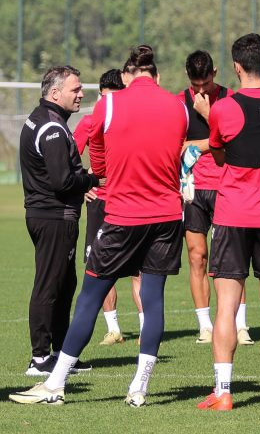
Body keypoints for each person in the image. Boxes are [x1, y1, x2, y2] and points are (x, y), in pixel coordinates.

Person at [11, 45, 188, 407]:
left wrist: (93, 180)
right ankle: (139, 386)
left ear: (125, 76)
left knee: (90, 296)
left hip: (124, 214)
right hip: (168, 216)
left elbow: (93, 151)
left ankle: (55, 383)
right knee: (152, 299)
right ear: (157, 75)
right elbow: (176, 151)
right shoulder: (178, 106)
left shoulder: (109, 105)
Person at [197, 34, 260, 411]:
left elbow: (220, 156)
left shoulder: (223, 109)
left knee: (226, 305)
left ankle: (223, 391)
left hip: (232, 217)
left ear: (238, 67)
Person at [16, 66, 101, 379]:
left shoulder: (45, 119)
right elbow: (62, 181)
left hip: (50, 215)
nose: (81, 94)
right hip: (52, 217)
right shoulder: (51, 128)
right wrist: (92, 178)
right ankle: (39, 359)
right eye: (75, 89)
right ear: (55, 94)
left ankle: (62, 354)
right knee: (49, 286)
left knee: (65, 285)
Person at [177, 50, 253, 346]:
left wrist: (203, 140)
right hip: (192, 189)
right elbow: (177, 146)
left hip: (227, 187)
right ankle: (205, 326)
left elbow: (238, 142)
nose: (201, 91)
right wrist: (207, 145)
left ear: (215, 73)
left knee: (232, 259)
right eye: (196, 86)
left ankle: (241, 324)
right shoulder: (179, 104)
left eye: (206, 84)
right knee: (197, 256)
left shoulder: (232, 100)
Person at [73, 69, 143, 346]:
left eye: (112, 99)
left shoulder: (135, 122)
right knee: (100, 265)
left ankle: (145, 328)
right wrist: (83, 184)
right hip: (100, 202)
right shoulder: (90, 121)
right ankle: (113, 329)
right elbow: (69, 157)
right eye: (103, 98)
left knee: (138, 270)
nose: (107, 105)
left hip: (130, 200)